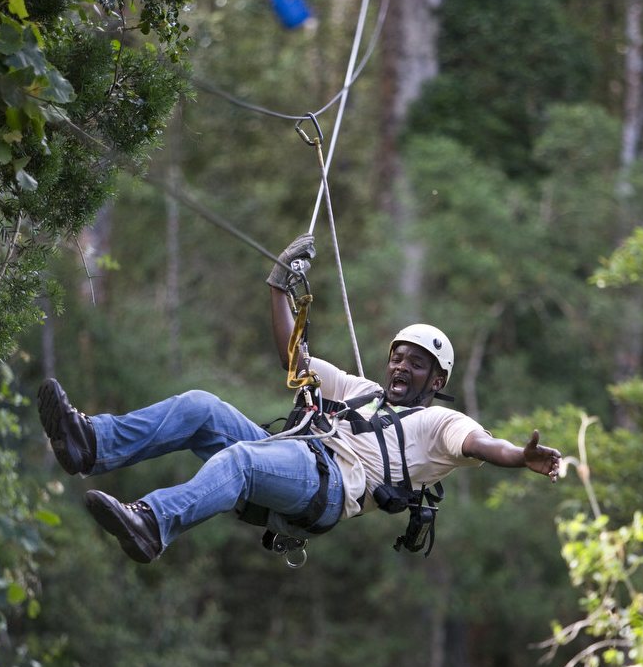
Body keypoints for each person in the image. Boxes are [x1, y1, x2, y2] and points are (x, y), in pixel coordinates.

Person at [37, 234, 562, 564]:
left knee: (240, 460)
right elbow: (297, 361)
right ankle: (92, 443)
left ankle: (153, 523)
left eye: (416, 363)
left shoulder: (440, 424)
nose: (402, 367)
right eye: (398, 357)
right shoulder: (362, 392)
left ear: (437, 377)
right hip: (295, 457)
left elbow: (482, 445)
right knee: (200, 406)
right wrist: (278, 287)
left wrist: (520, 456)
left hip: (331, 486)